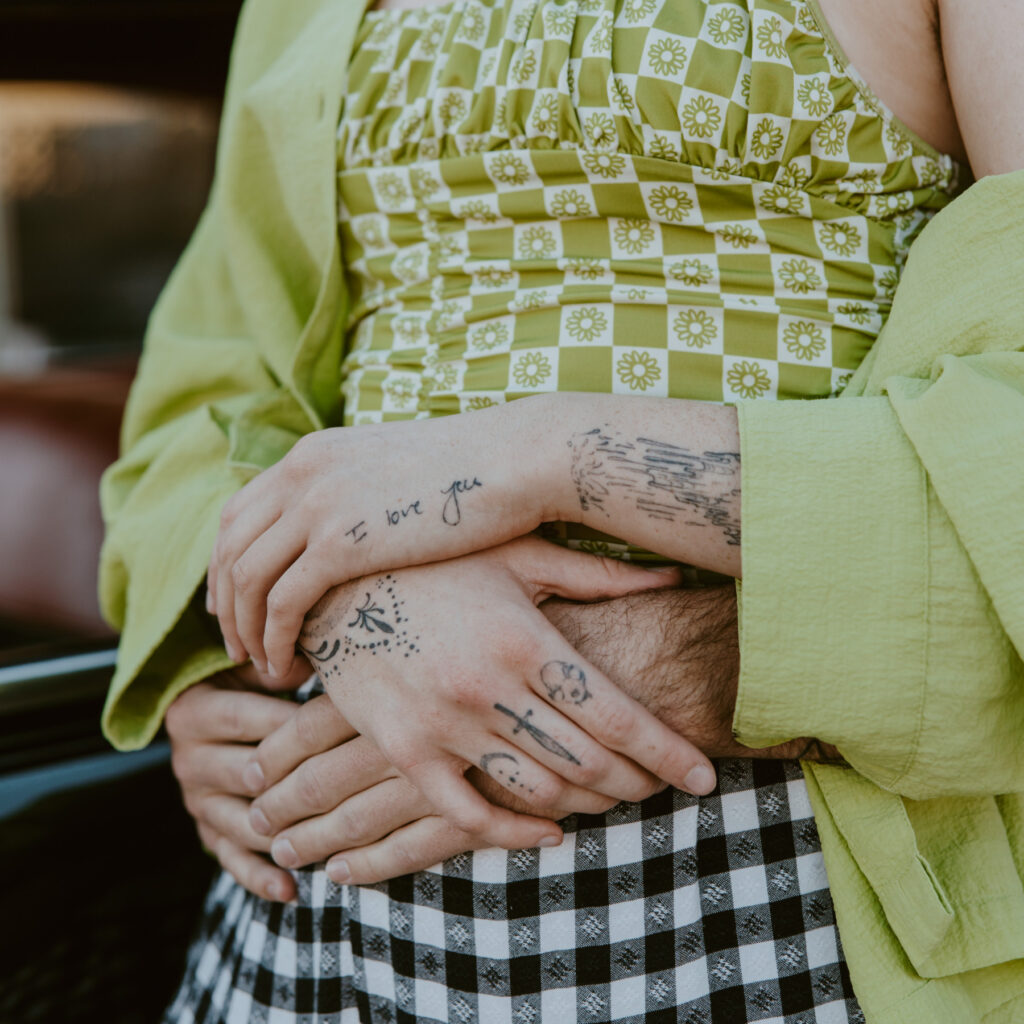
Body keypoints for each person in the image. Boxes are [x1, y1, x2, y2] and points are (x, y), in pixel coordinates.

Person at [98, 0, 1024, 1020]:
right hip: (320, 900)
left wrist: (553, 458)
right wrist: (332, 614)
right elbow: (205, 396)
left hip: (784, 886)